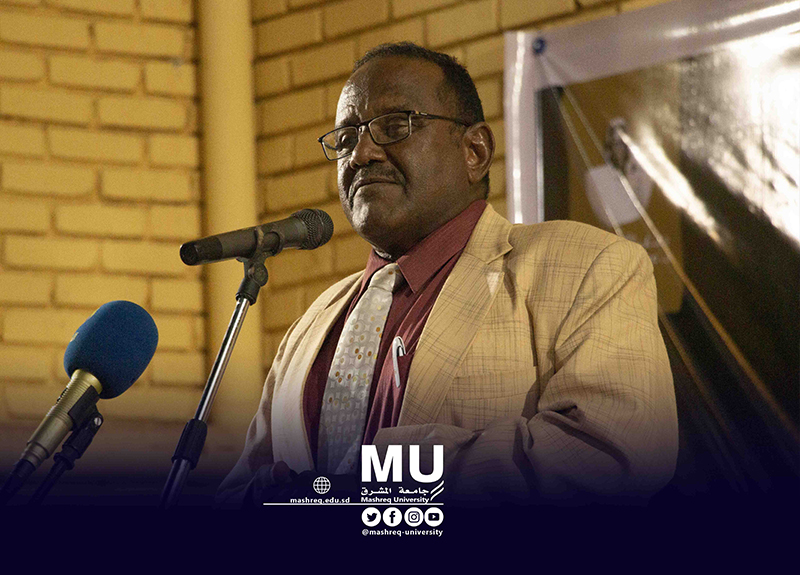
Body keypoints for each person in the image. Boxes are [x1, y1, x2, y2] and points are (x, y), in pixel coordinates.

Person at [216, 42, 678, 507]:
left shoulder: (587, 267)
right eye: (347, 138)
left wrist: (375, 483)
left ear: (474, 151)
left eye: (394, 126)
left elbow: (614, 451)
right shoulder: (311, 327)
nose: (361, 154)